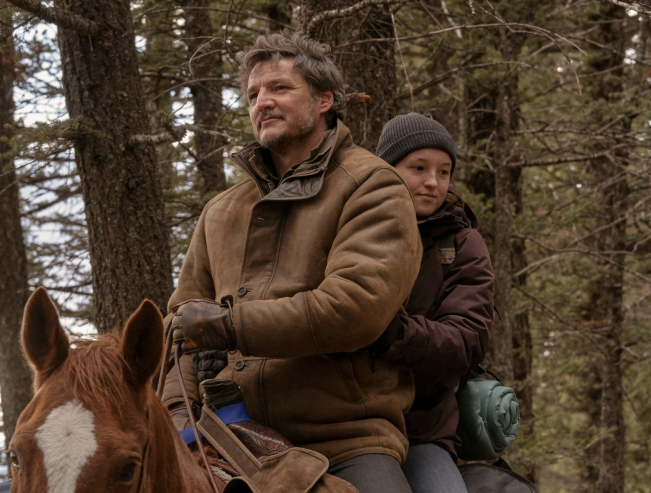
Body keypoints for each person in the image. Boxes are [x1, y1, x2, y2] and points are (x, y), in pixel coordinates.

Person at [160, 32, 423, 493]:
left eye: (280, 88)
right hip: (227, 438)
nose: (263, 102)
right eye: (254, 94)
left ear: (324, 99)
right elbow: (179, 327)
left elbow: (355, 308)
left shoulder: (371, 185)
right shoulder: (221, 211)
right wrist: (177, 414)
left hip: (344, 440)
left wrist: (230, 325)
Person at [373, 113, 495, 493]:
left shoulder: (461, 242)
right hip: (344, 422)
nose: (432, 183)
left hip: (422, 429)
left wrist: (392, 334)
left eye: (444, 172)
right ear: (386, 170)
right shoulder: (354, 228)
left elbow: (469, 340)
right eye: (419, 168)